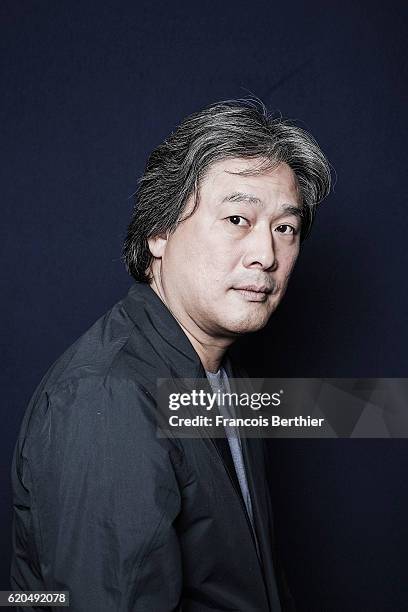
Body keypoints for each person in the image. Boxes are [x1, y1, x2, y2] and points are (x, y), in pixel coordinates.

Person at [10, 99, 331, 611]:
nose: (266, 255)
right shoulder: (107, 397)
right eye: (236, 218)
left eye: (284, 228)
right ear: (159, 233)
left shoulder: (225, 377)